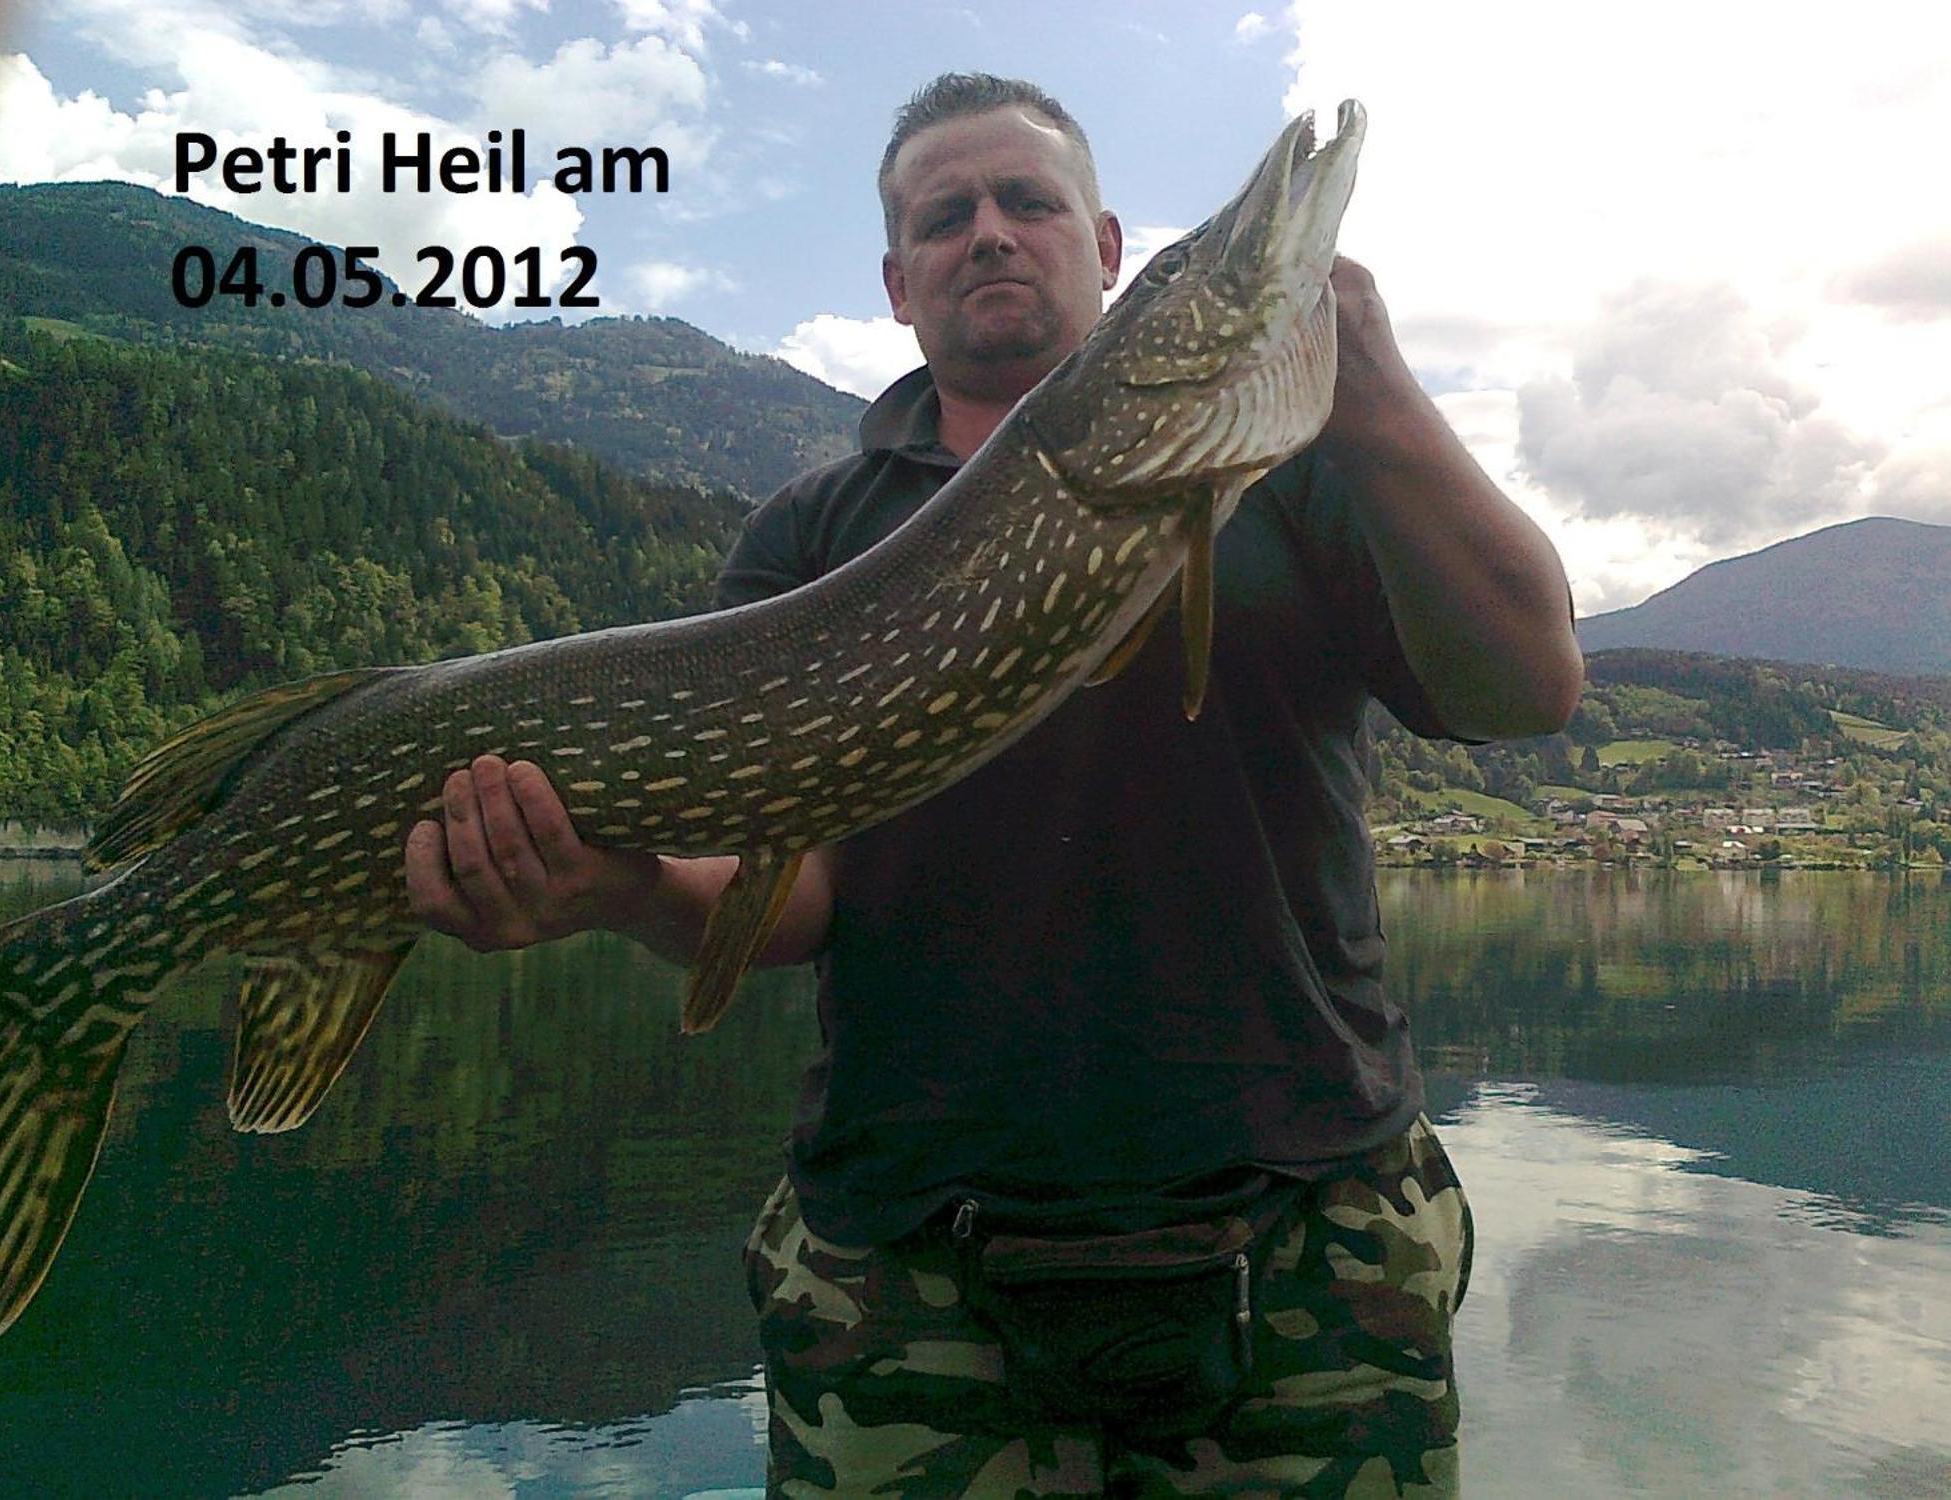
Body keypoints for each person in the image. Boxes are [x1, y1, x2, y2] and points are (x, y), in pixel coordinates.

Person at [406, 73, 1581, 1497]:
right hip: (908, 1259)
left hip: (1306, 1229)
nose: (990, 232)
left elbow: (1528, 689)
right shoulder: (813, 533)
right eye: (945, 215)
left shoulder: (1297, 470)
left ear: (1105, 248)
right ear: (898, 286)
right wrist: (624, 886)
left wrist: (1374, 395)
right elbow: (796, 891)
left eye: (1030, 201)